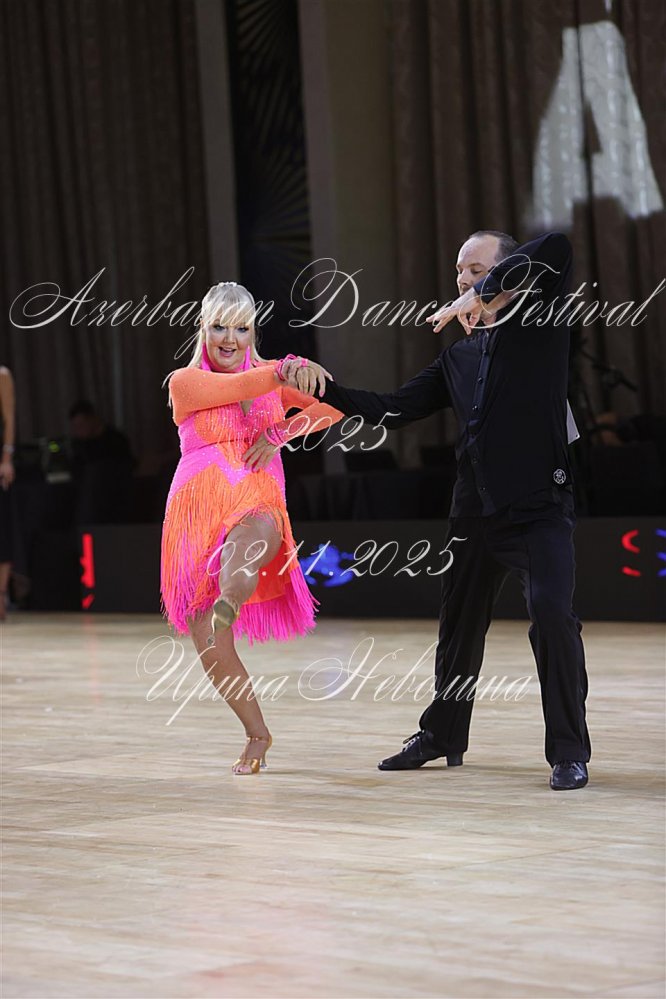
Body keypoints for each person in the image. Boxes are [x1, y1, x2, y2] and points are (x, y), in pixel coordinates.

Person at [316, 231, 591, 791]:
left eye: (477, 269)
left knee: (551, 615)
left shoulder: (542, 321)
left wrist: (484, 293)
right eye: (460, 272)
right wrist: (324, 389)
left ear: (510, 272)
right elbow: (391, 410)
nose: (464, 280)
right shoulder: (459, 358)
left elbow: (557, 247)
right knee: (458, 627)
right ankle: (442, 735)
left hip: (538, 508)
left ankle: (568, 751)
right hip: (473, 514)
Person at [160, 282, 342, 775]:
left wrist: (281, 431)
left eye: (241, 328)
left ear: (252, 332)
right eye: (219, 326)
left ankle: (231, 596)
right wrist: (282, 369)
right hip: (196, 511)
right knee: (208, 638)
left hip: (257, 498)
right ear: (203, 329)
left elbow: (334, 407)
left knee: (242, 556)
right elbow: (238, 388)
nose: (229, 338)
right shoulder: (185, 382)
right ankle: (257, 732)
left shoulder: (272, 379)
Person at [0, 366, 16, 622]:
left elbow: (9, 418)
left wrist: (6, 458)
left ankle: (1, 593)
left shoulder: (1, 376)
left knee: (2, 529)